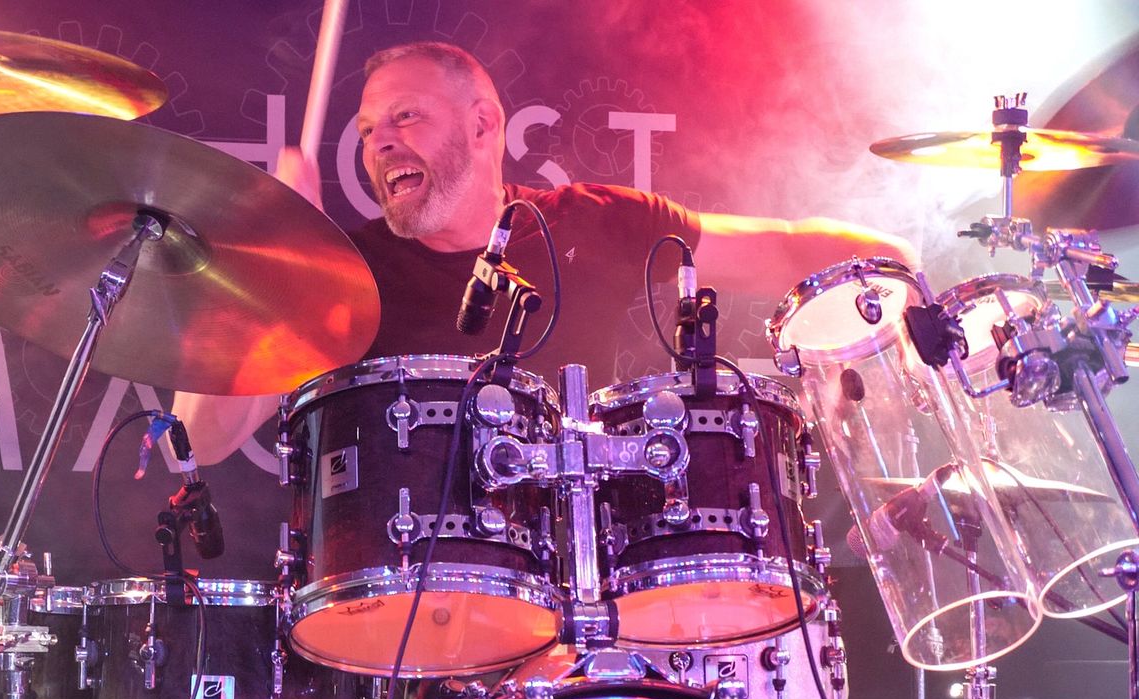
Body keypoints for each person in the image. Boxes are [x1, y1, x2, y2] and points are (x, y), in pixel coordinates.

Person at [174, 40, 917, 463]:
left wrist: (899, 269)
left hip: (575, 603)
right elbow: (197, 442)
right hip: (395, 619)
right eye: (368, 130)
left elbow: (783, 250)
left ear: (482, 125)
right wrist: (273, 252)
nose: (380, 143)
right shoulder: (340, 271)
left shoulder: (592, 223)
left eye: (406, 116)